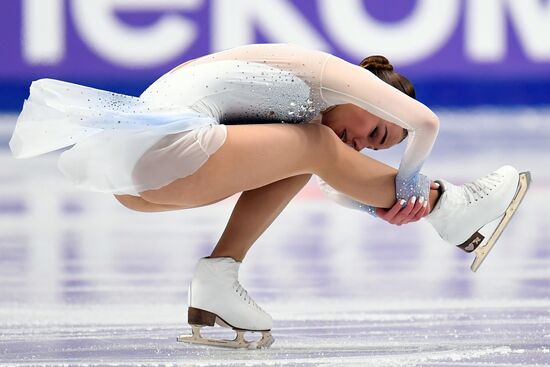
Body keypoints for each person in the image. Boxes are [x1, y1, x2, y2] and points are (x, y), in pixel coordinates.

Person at [8, 43, 530, 349]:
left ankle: (216, 284)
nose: (364, 145)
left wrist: (380, 205)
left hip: (143, 178)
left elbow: (328, 183)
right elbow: (426, 123)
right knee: (314, 143)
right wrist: (416, 181)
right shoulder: (332, 75)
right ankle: (452, 209)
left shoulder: (305, 111)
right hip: (163, 152)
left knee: (305, 152)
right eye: (376, 134)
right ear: (379, 96)